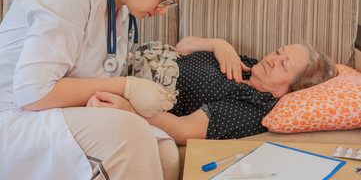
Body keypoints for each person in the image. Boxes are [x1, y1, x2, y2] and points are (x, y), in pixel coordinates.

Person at [0, 0, 206, 179]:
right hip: (15, 113)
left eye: (171, 4)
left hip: (55, 110)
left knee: (165, 149)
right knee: (130, 133)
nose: (163, 10)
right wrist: (126, 87)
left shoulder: (123, 13)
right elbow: (32, 91)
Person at [86, 36, 339, 145]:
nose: (272, 58)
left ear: (292, 88)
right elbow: (182, 46)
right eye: (278, 51)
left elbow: (184, 130)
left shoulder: (254, 106)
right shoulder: (249, 66)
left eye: (283, 65)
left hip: (127, 84)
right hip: (124, 56)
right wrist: (219, 44)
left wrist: (131, 111)